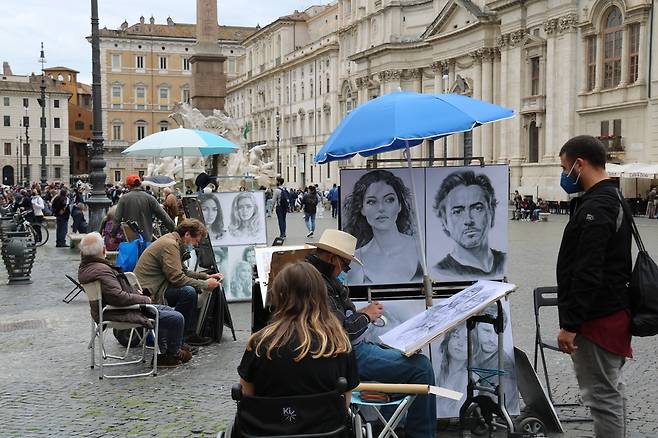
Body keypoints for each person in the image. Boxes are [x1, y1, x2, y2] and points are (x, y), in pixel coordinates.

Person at [306, 229, 436, 437]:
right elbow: (343, 331)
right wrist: (366, 315)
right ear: (333, 259)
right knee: (421, 367)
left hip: (347, 352)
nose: (345, 271)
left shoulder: (316, 276)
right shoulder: (318, 283)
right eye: (346, 265)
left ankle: (386, 429)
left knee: (406, 360)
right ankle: (421, 434)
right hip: (346, 356)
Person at [556, 135, 632, 438]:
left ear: (580, 164)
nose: (564, 175)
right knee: (610, 391)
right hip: (611, 309)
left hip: (598, 317)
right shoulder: (609, 197)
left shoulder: (598, 204)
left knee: (602, 397)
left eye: (564, 167)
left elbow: (588, 269)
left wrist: (571, 324)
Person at [236, 261, 358, 433]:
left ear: (280, 296)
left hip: (267, 433)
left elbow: (246, 398)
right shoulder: (338, 344)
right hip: (326, 432)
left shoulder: (259, 343)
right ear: (321, 295)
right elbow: (345, 403)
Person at [78, 232, 192, 367]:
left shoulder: (88, 268)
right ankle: (172, 354)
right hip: (121, 312)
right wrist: (143, 299)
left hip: (116, 309)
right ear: (103, 250)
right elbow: (118, 298)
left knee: (166, 310)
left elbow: (115, 294)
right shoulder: (101, 270)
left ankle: (166, 351)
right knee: (176, 317)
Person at [134, 219, 223, 347]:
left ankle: (185, 335)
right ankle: (179, 339)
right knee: (188, 292)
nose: (196, 244)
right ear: (187, 234)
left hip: (157, 287)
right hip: (151, 292)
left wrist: (205, 276)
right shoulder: (170, 245)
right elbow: (177, 278)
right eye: (196, 240)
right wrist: (205, 284)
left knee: (189, 290)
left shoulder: (173, 242)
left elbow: (183, 271)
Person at [343, 170, 421, 285]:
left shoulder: (421, 248)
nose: (381, 208)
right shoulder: (356, 259)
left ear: (400, 205)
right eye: (371, 202)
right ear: (362, 209)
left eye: (389, 200)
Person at [431, 170, 506, 281]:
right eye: (457, 211)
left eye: (477, 208)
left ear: (492, 213)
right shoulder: (440, 272)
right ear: (445, 221)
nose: (468, 220)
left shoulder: (504, 260)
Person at [111, 175, 175, 242]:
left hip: (130, 238)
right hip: (147, 237)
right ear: (140, 184)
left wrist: (113, 235)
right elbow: (163, 215)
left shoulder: (124, 199)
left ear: (129, 186)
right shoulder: (149, 198)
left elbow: (117, 219)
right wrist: (174, 229)